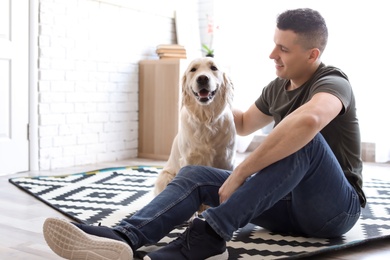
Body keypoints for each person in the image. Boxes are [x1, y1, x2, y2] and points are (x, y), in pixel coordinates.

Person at [43, 8, 366, 260]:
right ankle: (124, 236)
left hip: (334, 211)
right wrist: (206, 102)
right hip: (283, 207)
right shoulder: (276, 88)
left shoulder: (333, 82)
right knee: (193, 174)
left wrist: (241, 171)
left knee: (304, 140)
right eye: (273, 45)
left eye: (282, 48)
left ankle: (209, 236)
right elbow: (239, 123)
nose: (272, 55)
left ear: (312, 54)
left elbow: (309, 120)